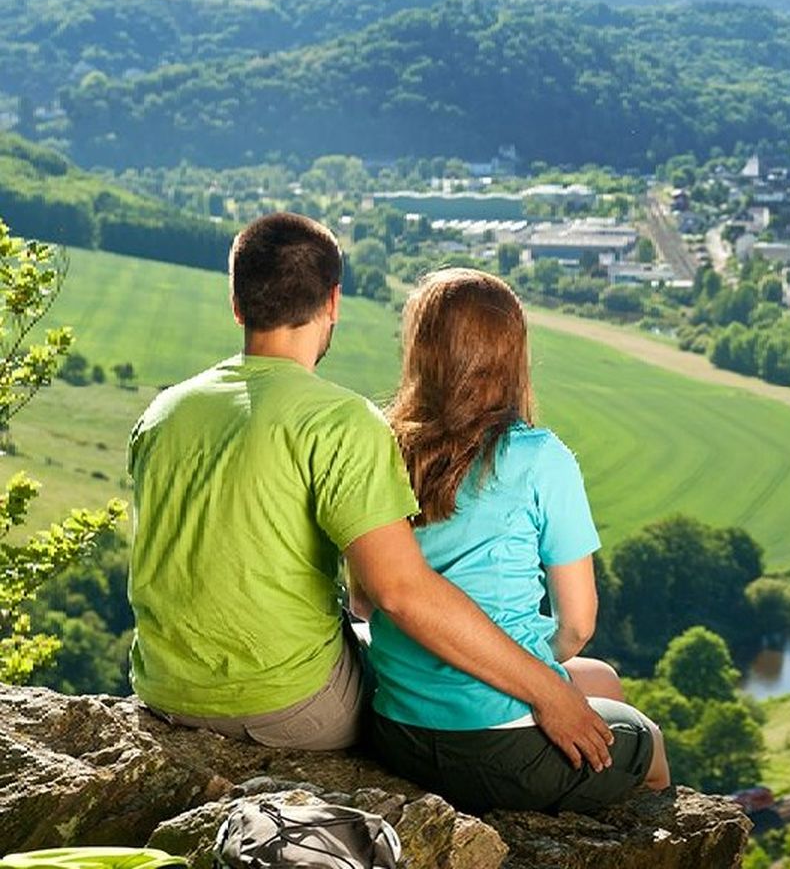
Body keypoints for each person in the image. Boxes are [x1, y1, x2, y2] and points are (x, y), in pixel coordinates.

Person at [127, 212, 612, 771]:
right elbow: (398, 593)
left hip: (163, 691)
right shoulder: (340, 422)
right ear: (333, 301)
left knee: (585, 678)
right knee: (573, 687)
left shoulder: (163, 413)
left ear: (237, 304)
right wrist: (548, 693)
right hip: (289, 706)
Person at [365, 267, 670, 814]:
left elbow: (365, 600)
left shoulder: (380, 447)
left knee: (601, 678)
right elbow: (577, 624)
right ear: (512, 354)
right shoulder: (538, 456)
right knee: (648, 741)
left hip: (399, 730)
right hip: (496, 748)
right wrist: (533, 669)